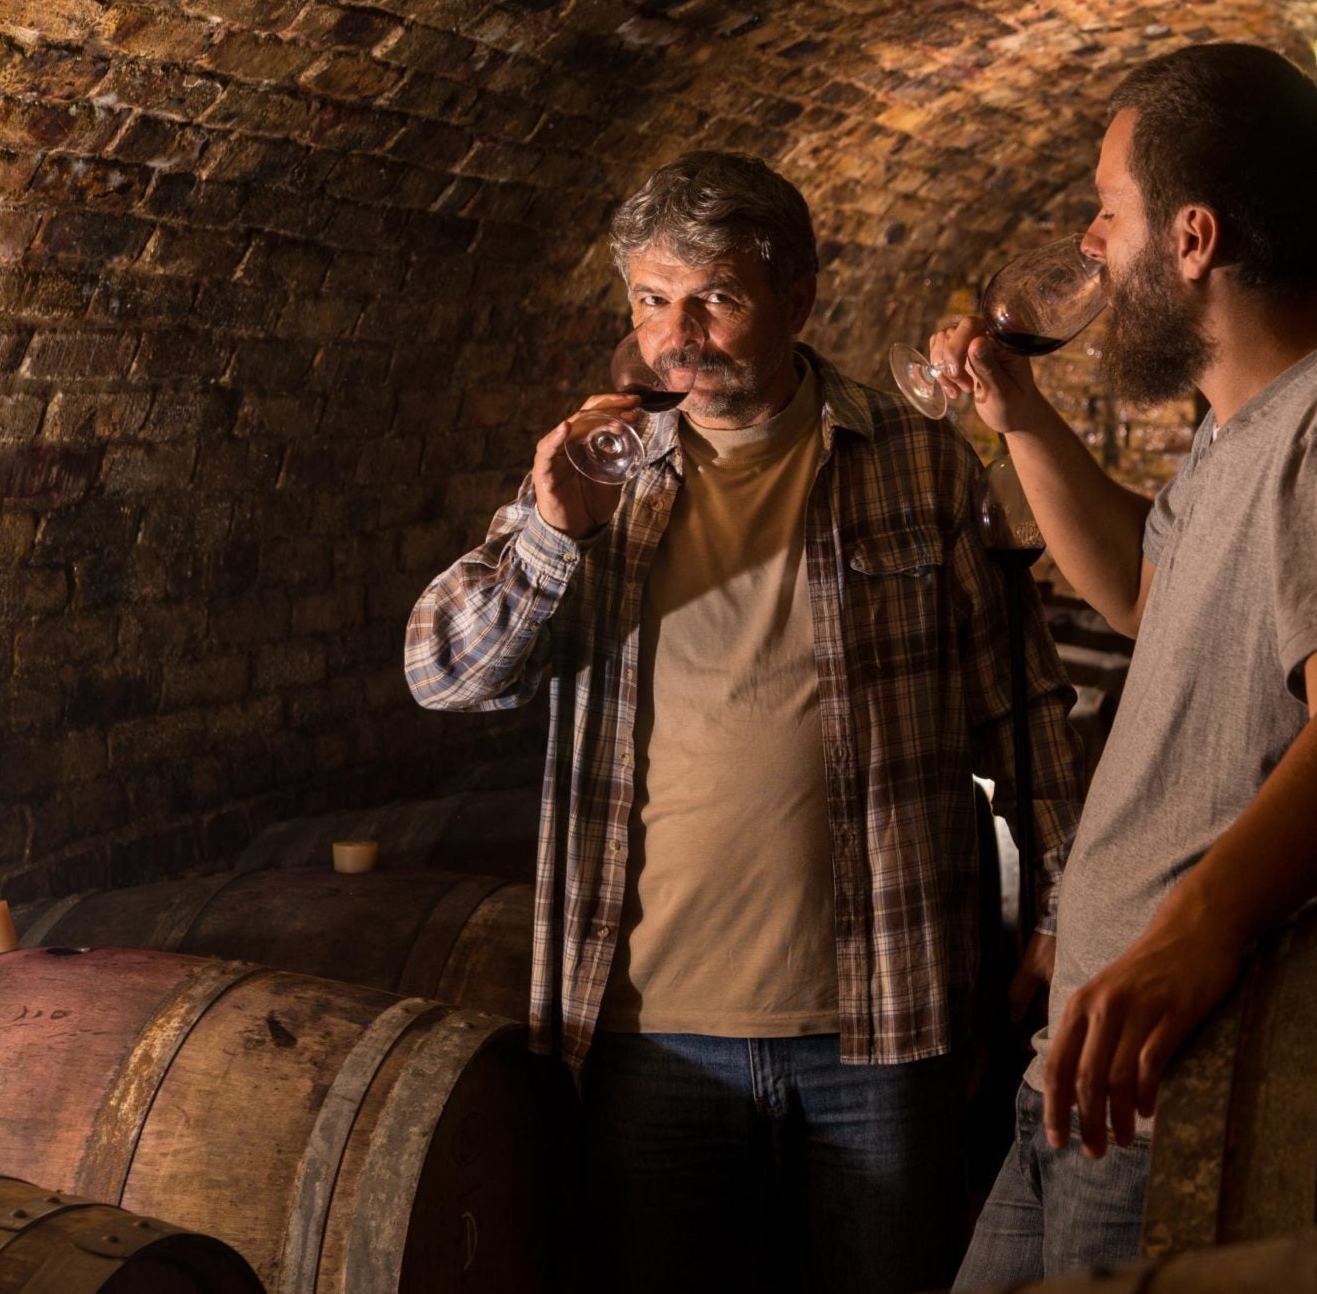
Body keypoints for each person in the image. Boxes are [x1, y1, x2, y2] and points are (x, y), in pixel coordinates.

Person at [405, 152, 1085, 1294]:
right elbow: (441, 673)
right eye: (651, 300)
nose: (679, 336)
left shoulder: (915, 464)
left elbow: (1017, 705)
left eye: (715, 297)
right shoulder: (598, 478)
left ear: (796, 299)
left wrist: (1072, 908)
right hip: (648, 1037)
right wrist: (551, 537)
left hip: (882, 1024)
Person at [934, 43, 1317, 1284]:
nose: (1090, 243)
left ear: (1190, 238)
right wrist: (1021, 419)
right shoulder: (1243, 426)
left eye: (1106, 211)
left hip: (1182, 1075)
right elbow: (1139, 589)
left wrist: (1192, 931)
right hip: (1090, 1059)